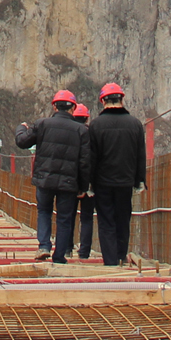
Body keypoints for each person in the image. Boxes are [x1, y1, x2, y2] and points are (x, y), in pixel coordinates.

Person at [15, 89, 90, 263]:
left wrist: (21, 128)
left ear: (55, 106)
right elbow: (85, 162)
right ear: (73, 108)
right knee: (64, 218)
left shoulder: (42, 124)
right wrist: (83, 187)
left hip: (44, 179)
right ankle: (59, 255)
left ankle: (44, 246)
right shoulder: (81, 130)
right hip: (69, 182)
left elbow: (22, 142)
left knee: (44, 212)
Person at [87, 82, 147, 266]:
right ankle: (121, 255)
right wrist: (140, 180)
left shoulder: (96, 125)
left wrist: (89, 184)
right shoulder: (135, 124)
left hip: (102, 182)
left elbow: (91, 158)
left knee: (106, 221)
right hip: (125, 182)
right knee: (123, 218)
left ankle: (110, 261)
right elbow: (140, 155)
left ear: (103, 101)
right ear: (121, 99)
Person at [70, 102, 97, 260]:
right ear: (87, 118)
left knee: (68, 216)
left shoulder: (69, 133)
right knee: (87, 218)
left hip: (71, 182)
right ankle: (84, 252)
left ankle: (66, 249)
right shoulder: (93, 134)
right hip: (90, 184)